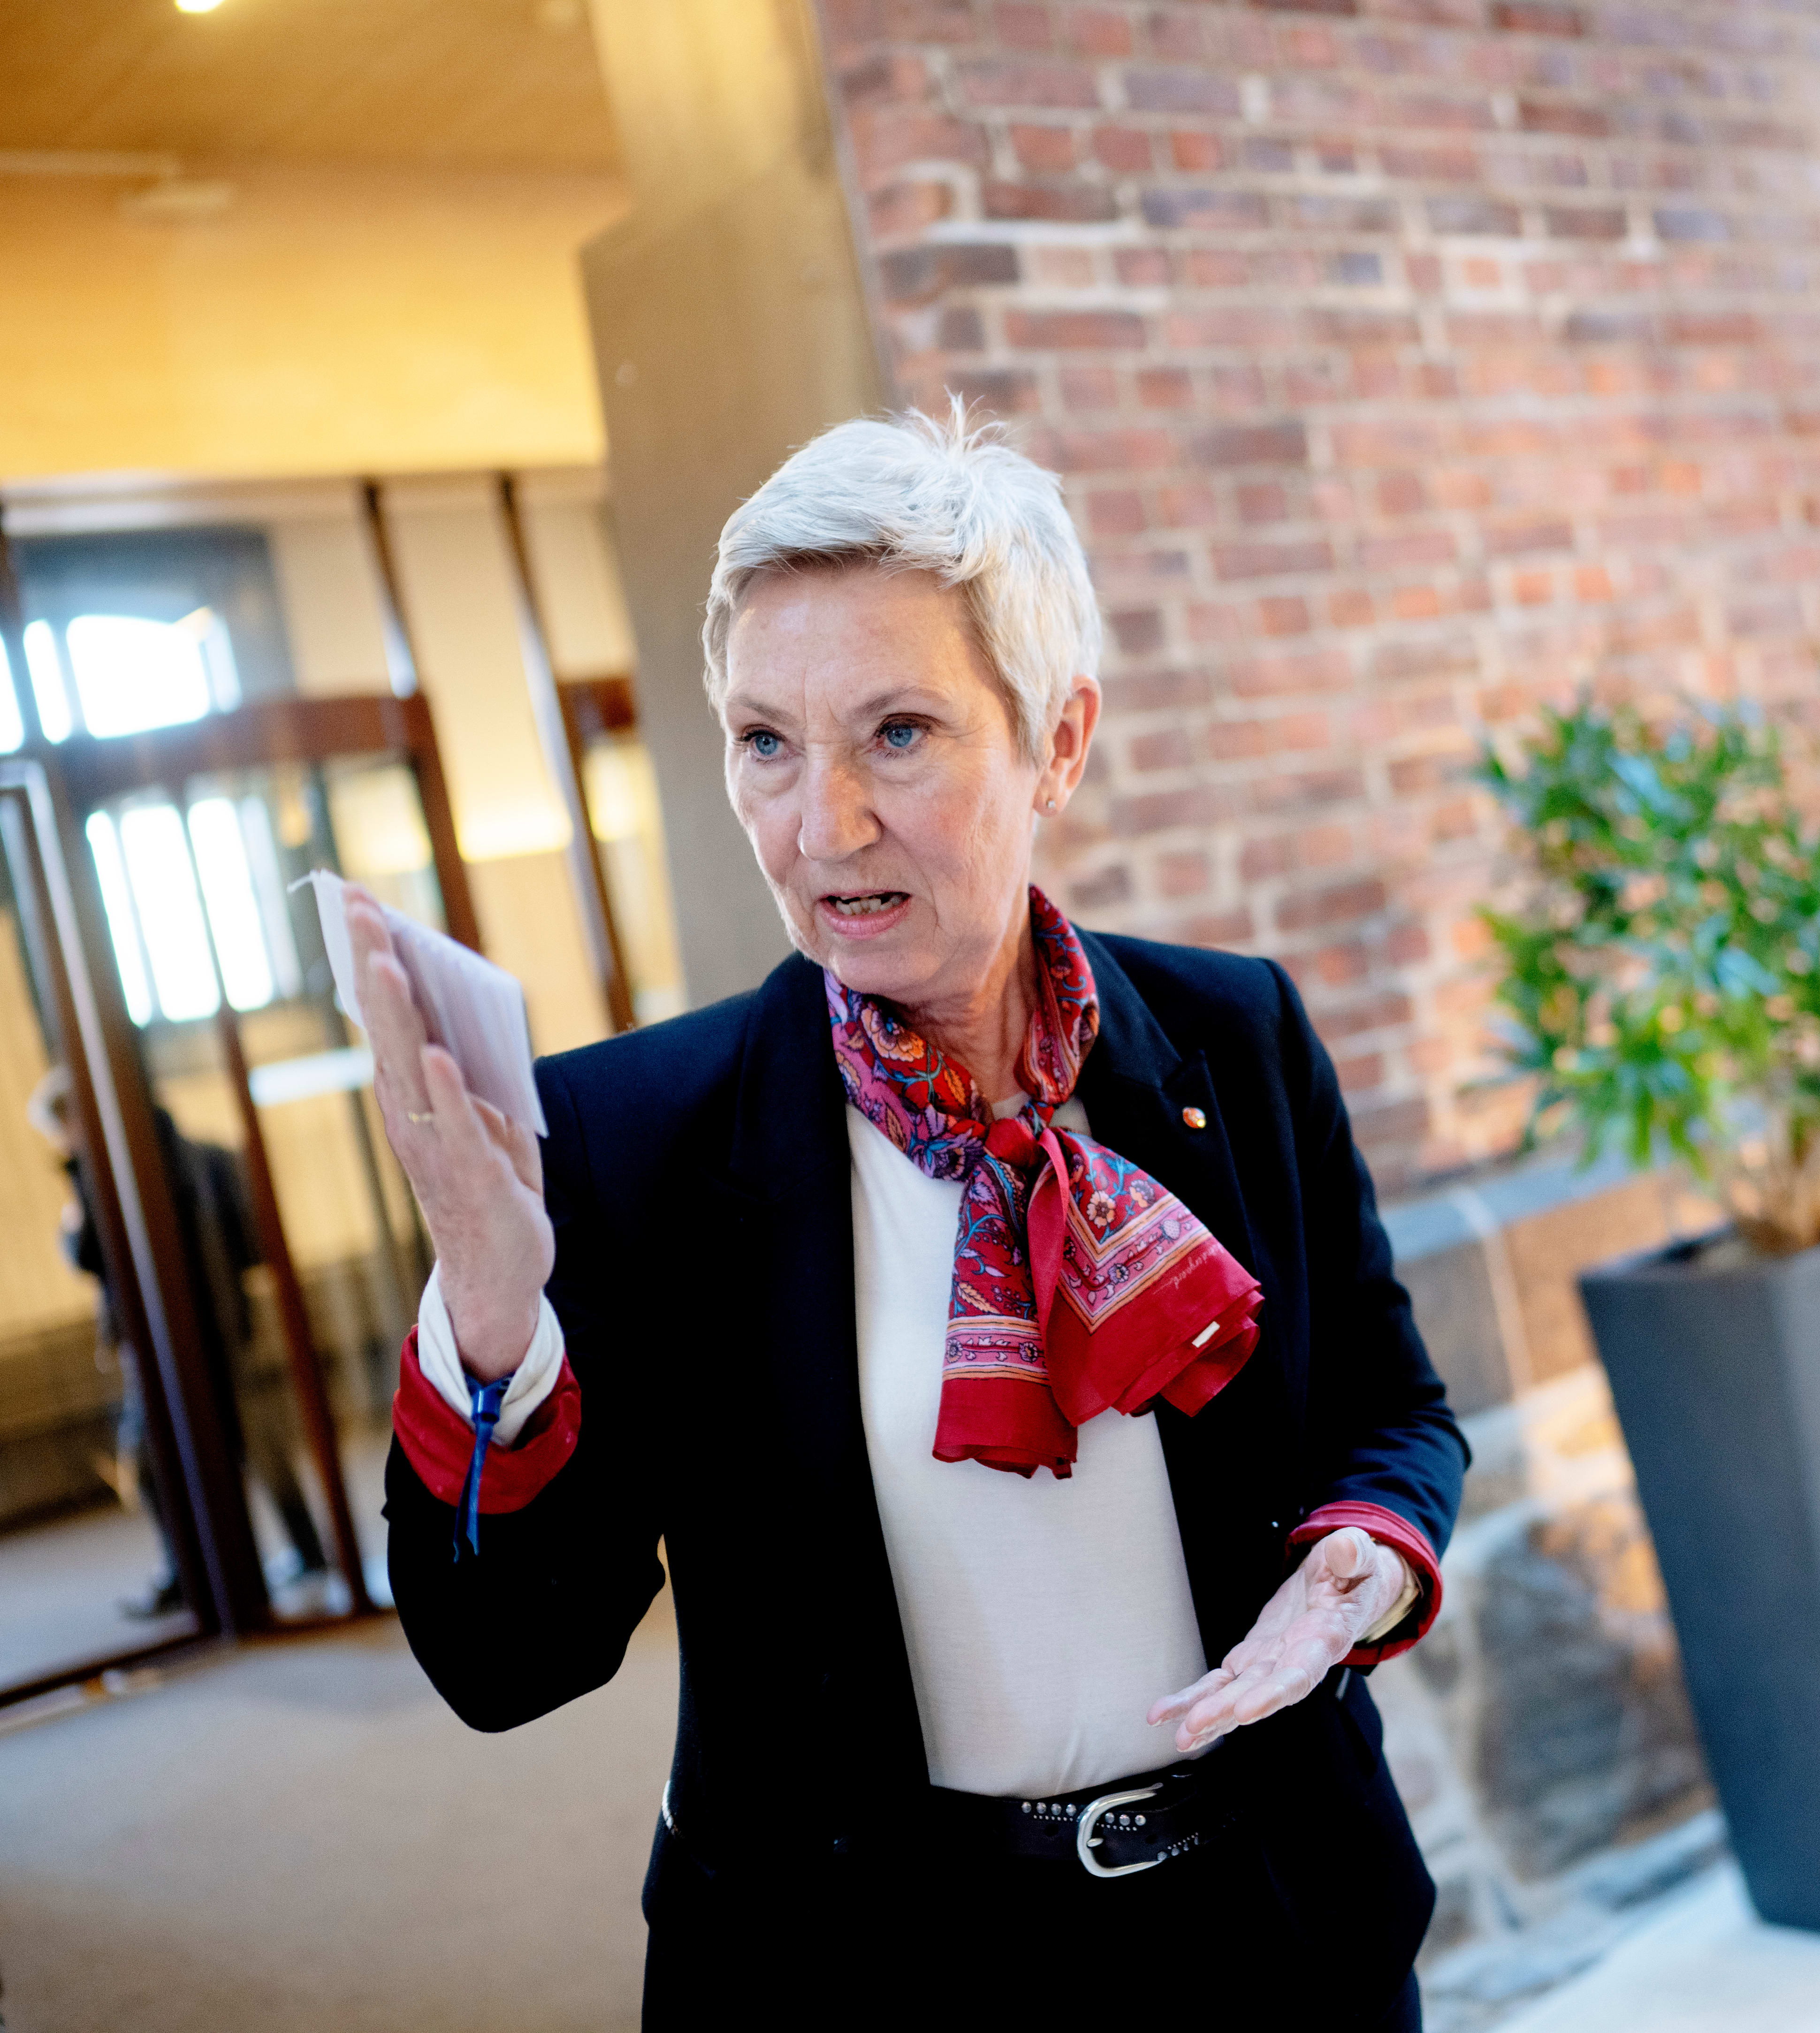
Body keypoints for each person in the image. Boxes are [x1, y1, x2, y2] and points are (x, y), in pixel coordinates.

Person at [367, 409, 1463, 2027]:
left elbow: (1392, 1406)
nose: (824, 825)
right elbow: (505, 1663)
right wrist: (489, 1323)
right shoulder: (631, 1139)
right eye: (766, 741)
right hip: (866, 1969)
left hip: (1273, 1930)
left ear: (1057, 742)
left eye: (897, 733)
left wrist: (1365, 1560)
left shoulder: (1233, 1038)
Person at [27, 1067, 328, 1611]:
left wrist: (78, 1193)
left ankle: (189, 1571)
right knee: (250, 1439)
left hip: (169, 1337)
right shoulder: (194, 1155)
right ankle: (299, 1552)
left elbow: (88, 1253)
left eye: (61, 1132)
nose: (63, 1144)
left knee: (152, 1457)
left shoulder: (112, 1172)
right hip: (220, 1323)